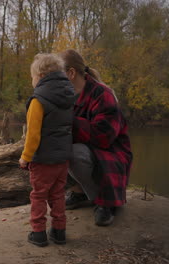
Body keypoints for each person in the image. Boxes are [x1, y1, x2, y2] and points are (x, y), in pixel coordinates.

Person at [58, 49, 132, 226]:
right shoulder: (63, 96)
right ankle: (81, 191)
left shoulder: (102, 94)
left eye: (55, 74)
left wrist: (69, 121)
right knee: (52, 149)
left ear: (71, 73)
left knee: (73, 153)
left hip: (111, 155)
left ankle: (106, 201)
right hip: (88, 153)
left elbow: (103, 137)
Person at [19, 53, 74, 247]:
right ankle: (59, 232)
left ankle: (38, 233)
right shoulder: (69, 96)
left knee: (39, 195)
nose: (32, 80)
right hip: (62, 159)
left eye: (32, 77)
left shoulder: (38, 101)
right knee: (58, 194)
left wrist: (25, 157)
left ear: (41, 76)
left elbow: (33, 135)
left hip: (43, 160)